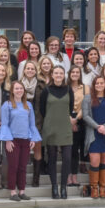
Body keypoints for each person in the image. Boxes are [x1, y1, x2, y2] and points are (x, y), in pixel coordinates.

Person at [0, 81, 41, 201]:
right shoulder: (7, 105)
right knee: (13, 166)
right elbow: (5, 124)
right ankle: (12, 191)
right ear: (12, 90)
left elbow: (32, 124)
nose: (19, 90)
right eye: (16, 88)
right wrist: (7, 140)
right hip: (13, 140)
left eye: (21, 88)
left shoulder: (28, 105)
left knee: (23, 166)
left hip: (25, 140)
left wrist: (33, 138)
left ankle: (22, 190)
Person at [40, 66, 75, 199]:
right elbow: (42, 110)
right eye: (56, 73)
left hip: (65, 127)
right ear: (52, 75)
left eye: (61, 73)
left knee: (66, 158)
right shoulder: (46, 90)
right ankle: (54, 187)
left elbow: (70, 108)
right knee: (52, 159)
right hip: (50, 127)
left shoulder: (68, 89)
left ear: (64, 75)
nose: (59, 75)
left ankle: (63, 186)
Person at [82, 76, 105, 199]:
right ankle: (94, 188)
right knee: (94, 162)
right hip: (94, 135)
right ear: (94, 85)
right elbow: (86, 115)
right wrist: (98, 127)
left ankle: (102, 187)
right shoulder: (88, 98)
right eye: (97, 83)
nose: (99, 85)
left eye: (101, 83)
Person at [68, 65, 89, 187]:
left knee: (78, 149)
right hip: (67, 119)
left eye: (77, 72)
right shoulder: (65, 88)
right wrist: (70, 119)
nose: (75, 74)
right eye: (73, 72)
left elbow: (86, 105)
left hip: (81, 119)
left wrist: (75, 119)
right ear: (69, 74)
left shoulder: (85, 88)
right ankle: (69, 176)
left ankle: (75, 177)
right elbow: (63, 104)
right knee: (70, 150)